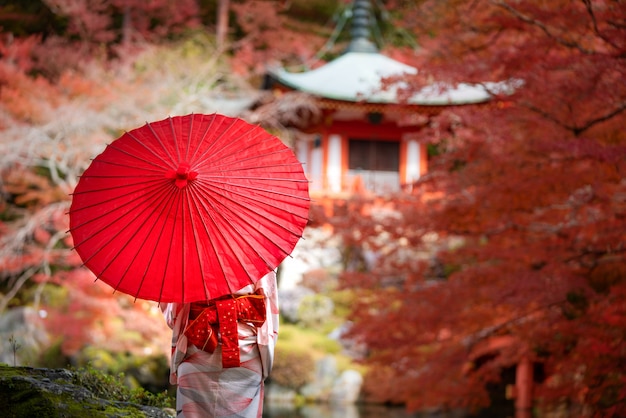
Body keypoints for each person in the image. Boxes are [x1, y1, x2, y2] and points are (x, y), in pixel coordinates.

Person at [161, 271, 279, 418]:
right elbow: (268, 309)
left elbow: (173, 314)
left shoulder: (185, 258)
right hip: (246, 351)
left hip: (198, 342)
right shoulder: (256, 255)